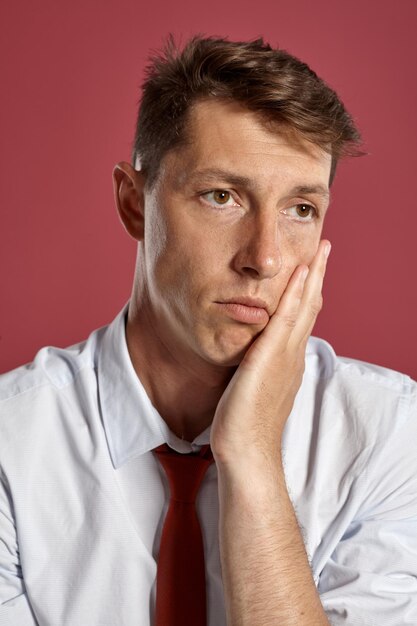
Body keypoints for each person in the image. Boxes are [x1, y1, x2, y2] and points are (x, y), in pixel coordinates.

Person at [0, 35, 416, 626]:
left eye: (301, 209)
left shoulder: (390, 433)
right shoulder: (11, 447)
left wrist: (250, 455)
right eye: (222, 196)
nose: (265, 258)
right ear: (133, 203)